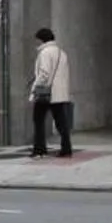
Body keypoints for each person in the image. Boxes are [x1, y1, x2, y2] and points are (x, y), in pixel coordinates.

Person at [29, 27, 72, 159]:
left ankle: (39, 149)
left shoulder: (45, 53)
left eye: (37, 40)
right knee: (61, 122)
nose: (36, 43)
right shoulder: (61, 52)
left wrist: (35, 88)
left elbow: (44, 74)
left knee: (38, 120)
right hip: (59, 94)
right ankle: (66, 148)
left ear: (42, 39)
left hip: (45, 93)